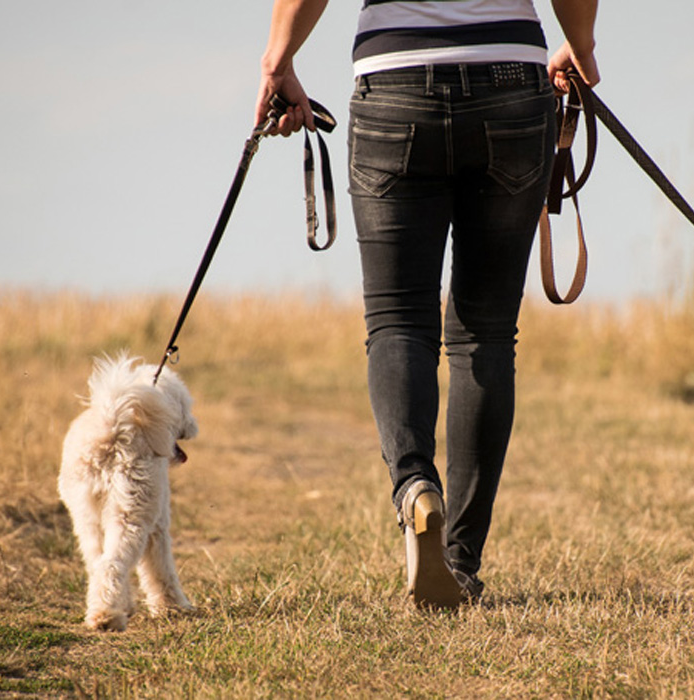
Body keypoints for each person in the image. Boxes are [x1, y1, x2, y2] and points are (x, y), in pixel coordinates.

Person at [256, 0, 599, 609]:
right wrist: (582, 43)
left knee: (398, 321)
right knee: (485, 332)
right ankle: (460, 563)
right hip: (512, 83)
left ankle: (416, 486)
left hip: (395, 82)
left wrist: (278, 59)